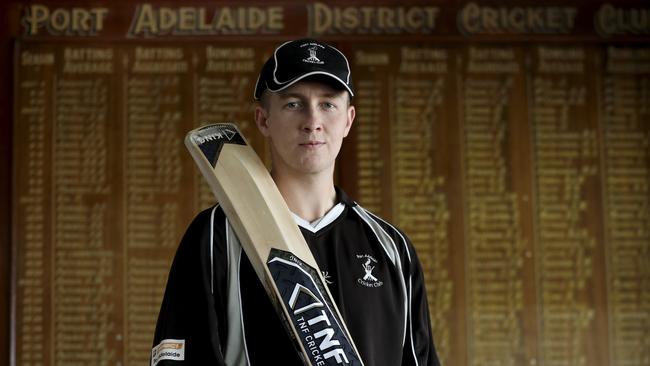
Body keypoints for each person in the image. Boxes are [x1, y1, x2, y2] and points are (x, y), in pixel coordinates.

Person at [151, 38, 441, 366]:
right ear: (263, 120)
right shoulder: (217, 236)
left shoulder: (392, 249)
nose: (312, 121)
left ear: (348, 119)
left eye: (328, 104)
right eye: (293, 104)